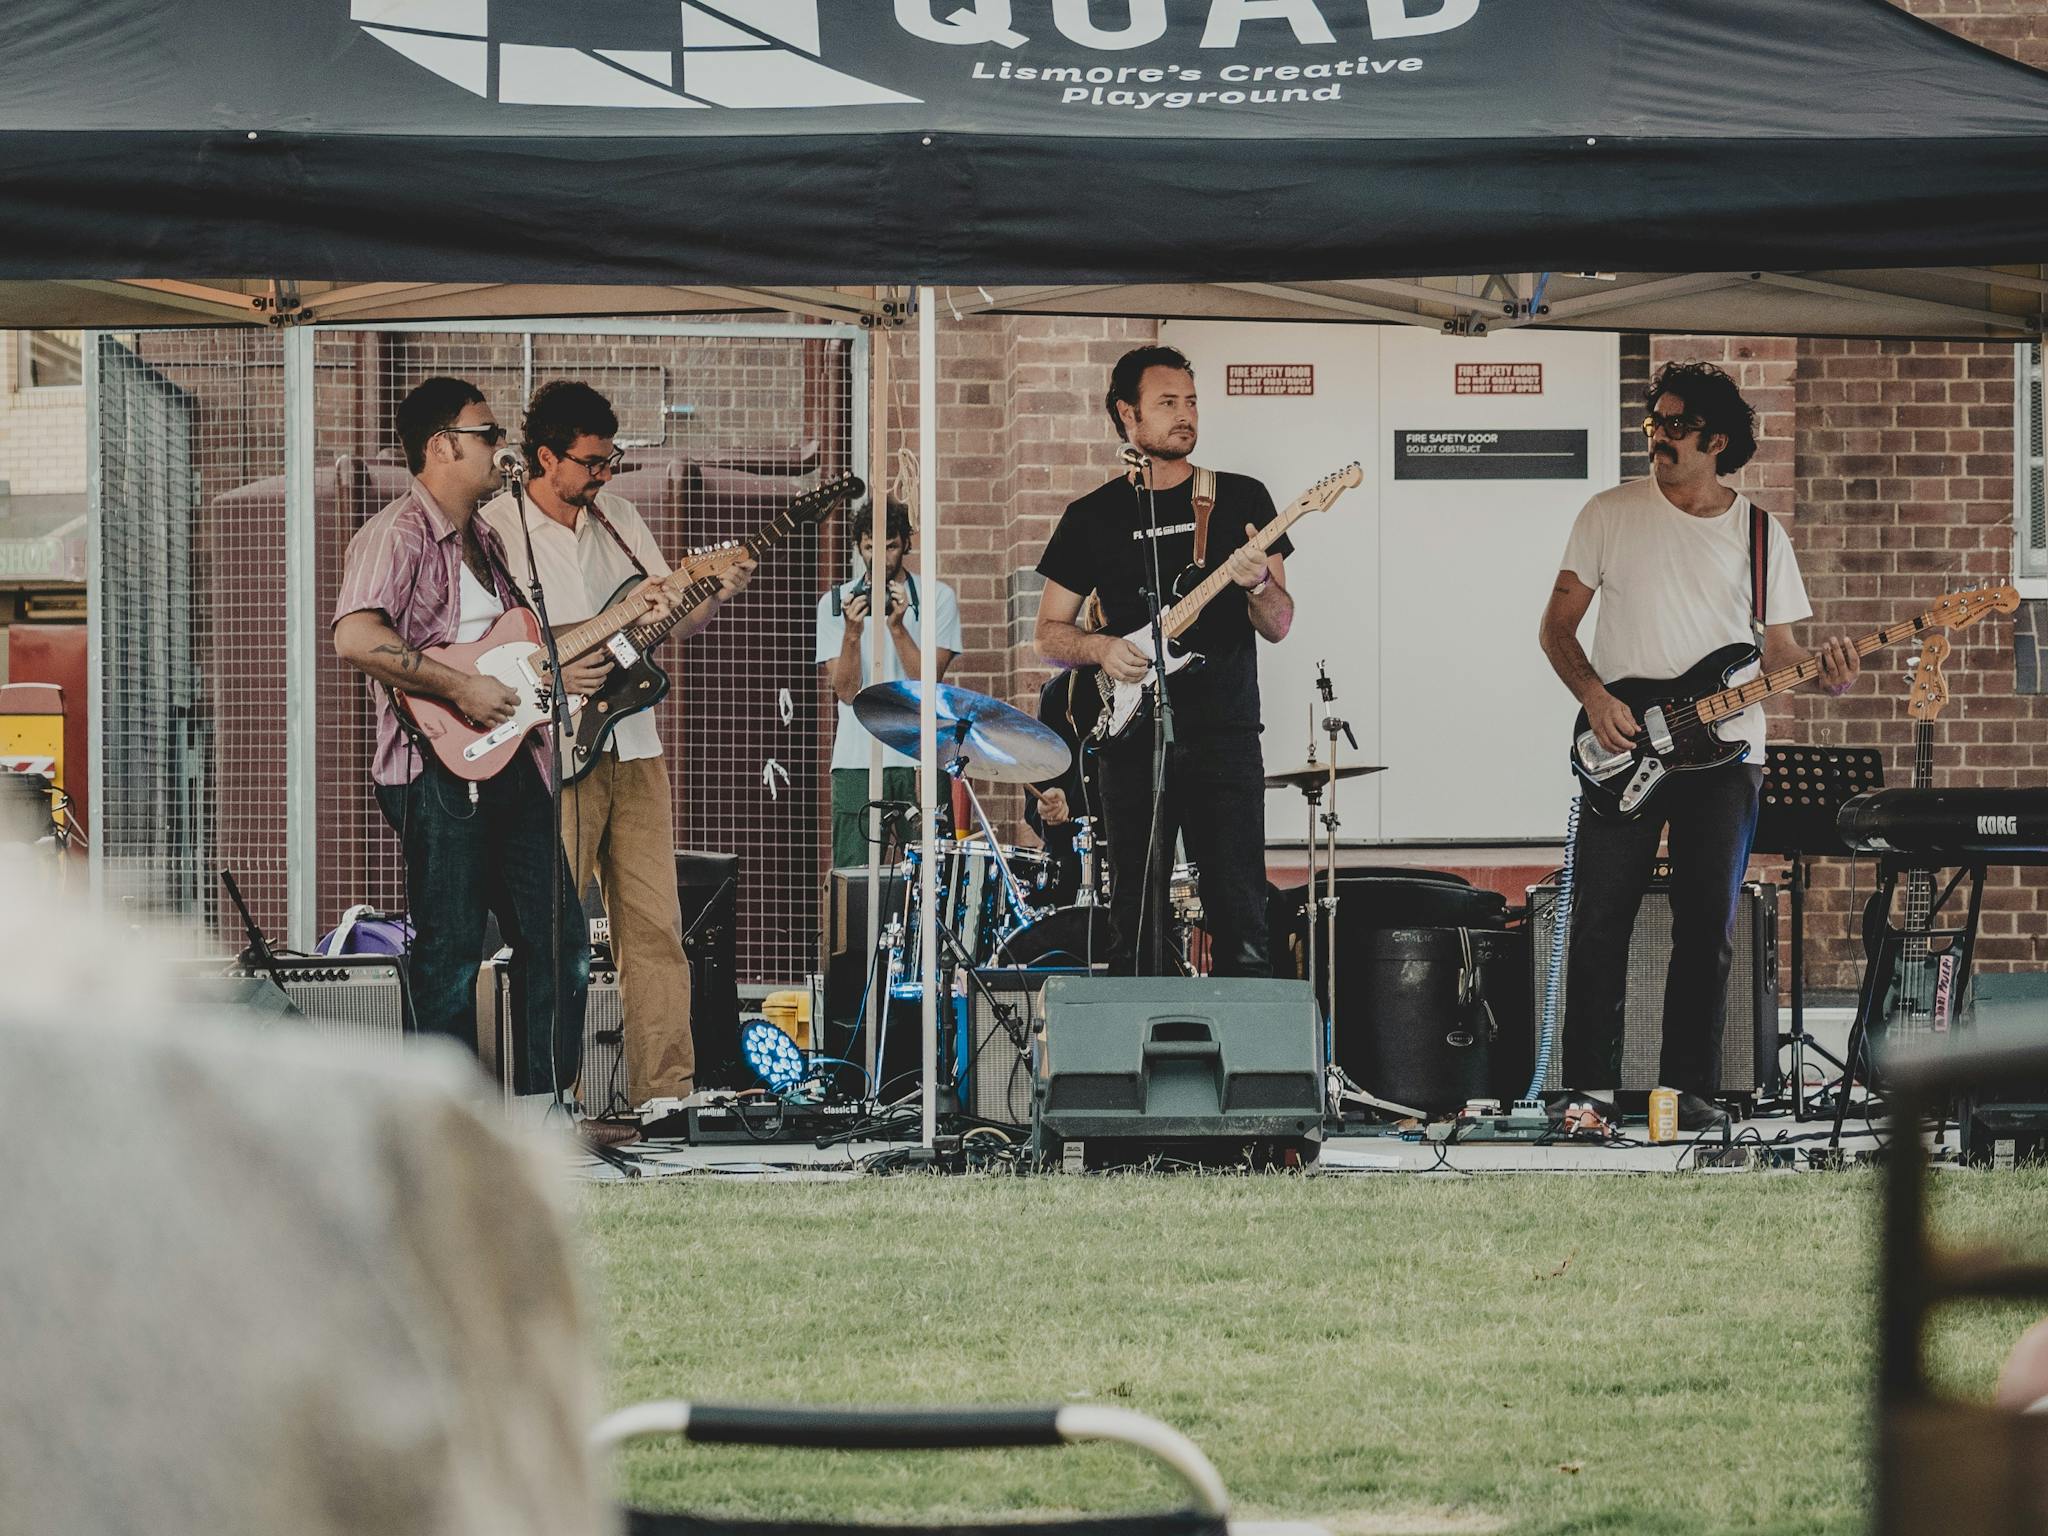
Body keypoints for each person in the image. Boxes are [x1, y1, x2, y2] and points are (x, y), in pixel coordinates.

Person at [1538, 360, 1862, 1135]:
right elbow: (1556, 628)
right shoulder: (1609, 512)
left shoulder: (1759, 532)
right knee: (1599, 918)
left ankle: (1685, 1092)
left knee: (1708, 925)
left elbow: (1779, 651)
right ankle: (1586, 1090)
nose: (1659, 436)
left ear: (1717, 440)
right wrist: (1595, 696)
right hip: (1625, 743)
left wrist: (1825, 677)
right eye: (1654, 422)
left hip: (1728, 757)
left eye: (1676, 425)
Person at [481, 380, 755, 1127]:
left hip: (633, 742)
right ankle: (549, 1094)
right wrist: (567, 656)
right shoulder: (495, 527)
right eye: (593, 461)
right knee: (552, 929)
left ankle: (665, 1093)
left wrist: (712, 594)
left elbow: (675, 621)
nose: (606, 474)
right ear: (544, 457)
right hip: (544, 747)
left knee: (656, 925)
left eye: (613, 459)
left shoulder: (623, 518)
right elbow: (485, 639)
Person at [332, 376, 600, 1111]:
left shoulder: (487, 537)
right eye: (488, 435)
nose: (502, 448)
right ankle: (443, 1128)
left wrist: (562, 667)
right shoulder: (397, 532)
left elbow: (503, 652)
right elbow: (356, 636)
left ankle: (541, 1112)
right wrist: (462, 691)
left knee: (561, 943)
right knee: (450, 955)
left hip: (516, 761)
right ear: (441, 444)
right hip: (432, 769)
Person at [1032, 344, 1294, 977]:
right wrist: (1100, 649)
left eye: (1192, 402)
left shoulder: (1241, 500)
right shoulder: (1091, 517)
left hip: (1225, 735)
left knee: (1241, 912)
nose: (1186, 416)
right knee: (1135, 917)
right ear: (1128, 415)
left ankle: (1248, 1065)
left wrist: (1258, 585)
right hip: (1129, 740)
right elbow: (1048, 632)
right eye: (1167, 403)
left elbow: (1280, 623)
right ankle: (1141, 1064)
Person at [815, 497, 961, 869]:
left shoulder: (937, 598)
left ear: (906, 544)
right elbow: (847, 692)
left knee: (931, 875)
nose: (880, 557)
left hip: (920, 757)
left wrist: (897, 626)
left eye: (891, 546)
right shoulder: (835, 604)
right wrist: (852, 632)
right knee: (854, 876)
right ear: (858, 547)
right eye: (869, 547)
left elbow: (929, 683)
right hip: (856, 758)